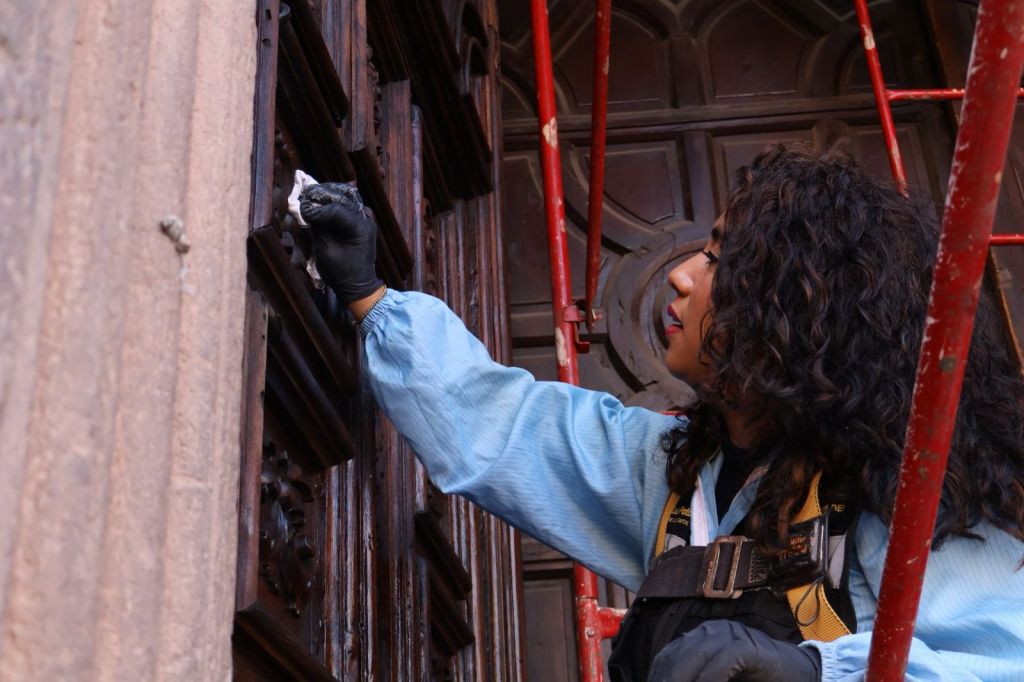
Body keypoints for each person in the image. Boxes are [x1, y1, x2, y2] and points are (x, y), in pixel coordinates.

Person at [298, 144, 1024, 681]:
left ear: (798, 309)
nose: (679, 275)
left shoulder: (915, 489)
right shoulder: (676, 475)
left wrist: (812, 672)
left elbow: (1001, 660)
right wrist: (369, 298)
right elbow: (507, 424)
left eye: (717, 259)